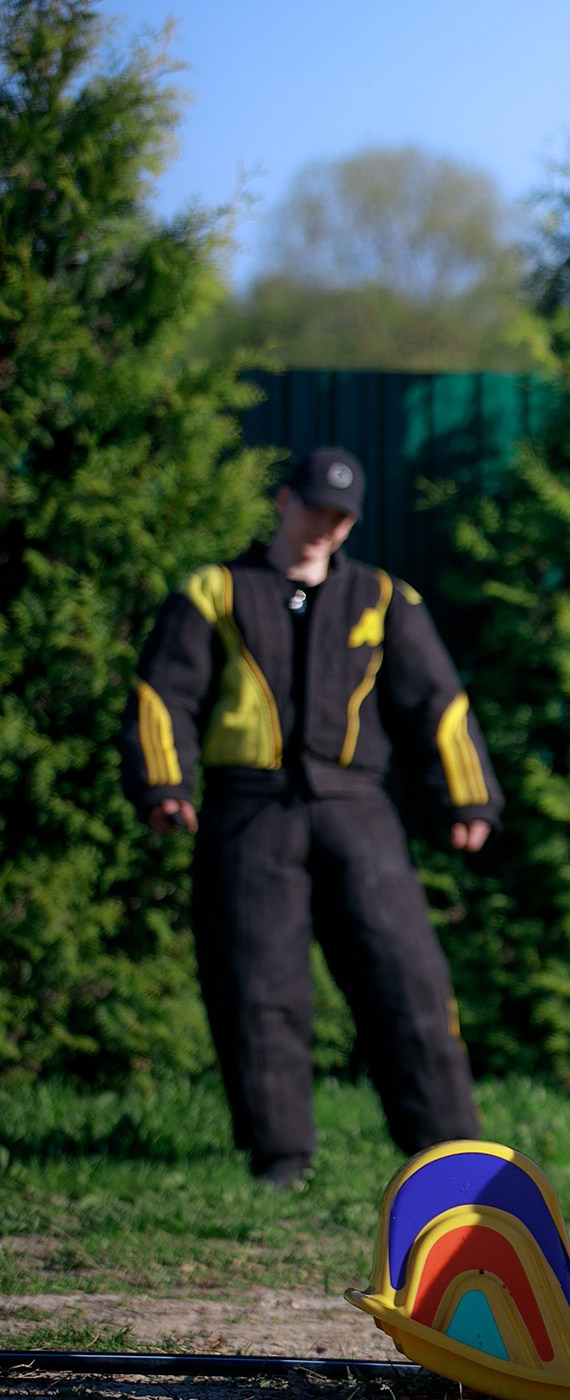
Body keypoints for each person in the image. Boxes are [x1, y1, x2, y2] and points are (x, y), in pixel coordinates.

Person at [117, 448, 503, 1187]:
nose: (326, 528)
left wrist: (469, 795)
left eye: (341, 517)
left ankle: (449, 1157)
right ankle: (280, 1157)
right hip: (247, 811)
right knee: (259, 985)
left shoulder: (385, 597)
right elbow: (163, 694)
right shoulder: (215, 591)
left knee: (410, 977)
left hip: (357, 809)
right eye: (315, 510)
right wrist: (164, 784)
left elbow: (438, 702)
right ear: (285, 501)